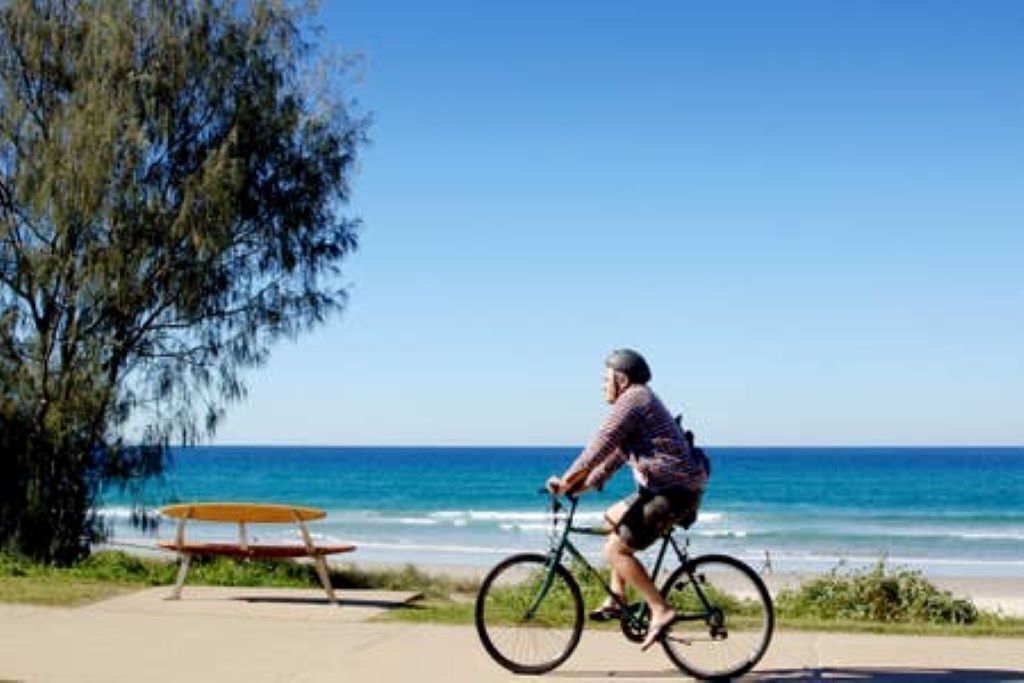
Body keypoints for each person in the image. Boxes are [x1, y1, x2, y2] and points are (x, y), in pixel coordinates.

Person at [546, 349, 708, 651]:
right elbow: (611, 459)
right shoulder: (637, 405)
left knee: (615, 551)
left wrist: (566, 479)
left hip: (672, 491)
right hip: (662, 488)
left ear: (621, 380)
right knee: (611, 517)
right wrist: (578, 488)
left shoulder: (634, 399)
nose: (602, 385)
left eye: (605, 379)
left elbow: (600, 443)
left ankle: (661, 609)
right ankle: (618, 597)